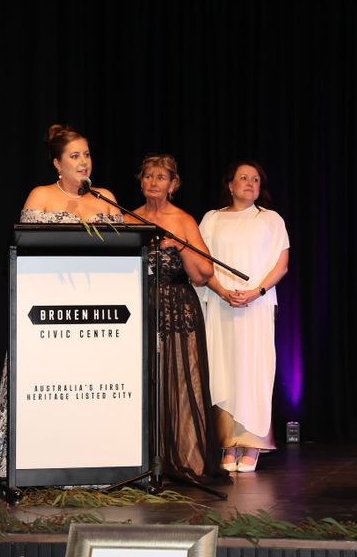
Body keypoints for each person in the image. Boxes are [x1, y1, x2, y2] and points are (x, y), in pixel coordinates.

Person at [0, 124, 122, 481]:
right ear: (57, 164)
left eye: (87, 154)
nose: (84, 162)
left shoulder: (105, 197)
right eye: (75, 156)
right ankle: (32, 465)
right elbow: (23, 253)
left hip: (99, 317)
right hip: (47, 315)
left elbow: (124, 254)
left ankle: (99, 464)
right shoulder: (40, 196)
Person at [126, 154, 228, 483]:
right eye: (148, 176)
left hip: (178, 308)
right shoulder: (130, 219)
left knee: (182, 385)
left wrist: (180, 246)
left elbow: (203, 274)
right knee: (146, 385)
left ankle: (187, 459)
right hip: (141, 309)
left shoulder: (183, 219)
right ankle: (146, 461)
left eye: (160, 177)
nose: (153, 182)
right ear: (140, 181)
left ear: (173, 184)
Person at [198, 160, 290, 473]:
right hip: (222, 303)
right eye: (243, 178)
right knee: (223, 369)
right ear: (230, 185)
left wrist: (256, 292)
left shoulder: (271, 219)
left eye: (255, 179)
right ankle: (227, 444)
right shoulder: (212, 218)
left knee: (254, 371)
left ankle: (252, 446)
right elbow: (201, 262)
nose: (250, 183)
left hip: (257, 306)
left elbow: (281, 264)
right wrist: (222, 291)